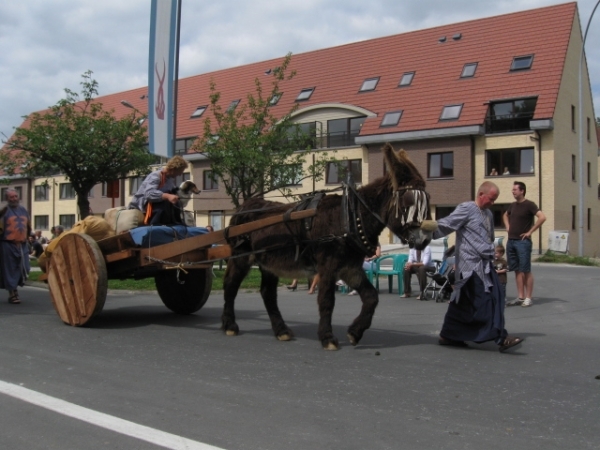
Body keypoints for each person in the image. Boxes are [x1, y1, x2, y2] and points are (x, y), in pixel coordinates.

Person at [433, 181, 523, 353]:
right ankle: (501, 337)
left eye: (495, 199)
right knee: (487, 300)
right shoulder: (466, 208)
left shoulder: (488, 214)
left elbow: (489, 239)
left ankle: (448, 335)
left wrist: (493, 253)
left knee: (464, 303)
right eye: (491, 198)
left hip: (484, 265)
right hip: (469, 267)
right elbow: (447, 224)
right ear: (481, 195)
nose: (493, 203)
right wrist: (424, 232)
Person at [503, 181, 546, 307]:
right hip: (511, 241)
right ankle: (521, 296)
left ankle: (528, 297)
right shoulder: (513, 205)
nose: (513, 191)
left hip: (523, 242)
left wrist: (530, 232)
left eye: (515, 189)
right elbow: (505, 215)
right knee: (516, 270)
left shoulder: (529, 205)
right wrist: (508, 227)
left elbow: (542, 217)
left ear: (522, 191)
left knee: (525, 270)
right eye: (513, 189)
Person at [128, 155, 189, 225]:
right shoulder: (156, 176)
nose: (180, 175)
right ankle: (155, 225)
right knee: (163, 203)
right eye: (180, 172)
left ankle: (177, 223)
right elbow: (149, 194)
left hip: (158, 205)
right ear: (174, 169)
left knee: (176, 203)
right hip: (143, 205)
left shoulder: (169, 180)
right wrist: (167, 196)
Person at [0, 189, 31, 304]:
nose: (14, 199)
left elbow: (27, 225)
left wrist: (28, 238)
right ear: (7, 199)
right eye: (11, 197)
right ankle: (12, 293)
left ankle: (15, 287)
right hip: (7, 244)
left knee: (25, 267)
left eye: (15, 196)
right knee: (10, 269)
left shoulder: (23, 210)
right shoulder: (4, 211)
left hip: (22, 244)